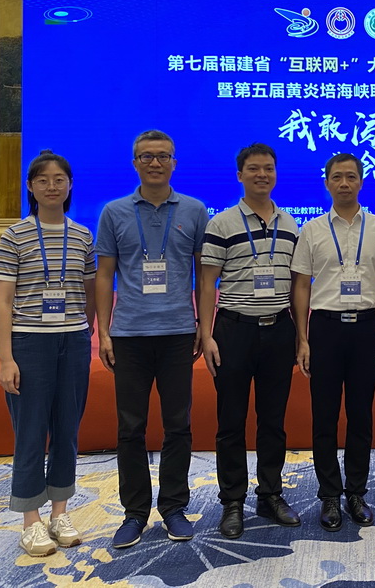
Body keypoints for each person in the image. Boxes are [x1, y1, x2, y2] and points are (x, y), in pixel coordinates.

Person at [95, 130, 210, 548]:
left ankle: (174, 508)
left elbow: (204, 276)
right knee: (131, 428)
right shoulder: (114, 212)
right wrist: (104, 331)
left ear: (174, 163)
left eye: (163, 156)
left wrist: (203, 327)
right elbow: (104, 275)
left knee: (178, 425)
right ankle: (135, 513)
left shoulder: (194, 210)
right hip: (129, 335)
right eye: (147, 156)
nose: (155, 163)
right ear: (135, 163)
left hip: (179, 333)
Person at [0, 150, 96, 557]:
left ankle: (60, 513)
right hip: (29, 343)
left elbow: (89, 292)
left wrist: (83, 331)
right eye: (43, 180)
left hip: (73, 342)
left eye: (59, 180)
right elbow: (3, 301)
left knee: (67, 431)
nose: (52, 186)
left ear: (69, 186)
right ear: (31, 187)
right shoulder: (15, 235)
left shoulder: (82, 235)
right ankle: (31, 520)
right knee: (31, 432)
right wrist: (6, 359)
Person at [198, 143, 300, 537]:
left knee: (273, 420)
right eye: (254, 169)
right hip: (234, 330)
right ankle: (232, 501)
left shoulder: (291, 225)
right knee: (231, 421)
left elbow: (298, 285)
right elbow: (207, 283)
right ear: (240, 175)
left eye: (268, 168)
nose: (262, 175)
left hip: (279, 330)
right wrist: (206, 334)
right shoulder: (221, 223)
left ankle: (270, 494)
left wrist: (300, 335)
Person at [291, 153, 375, 532]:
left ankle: (356, 492)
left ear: (361, 181)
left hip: (366, 329)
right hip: (325, 329)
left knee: (360, 414)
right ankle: (329, 495)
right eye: (337, 177)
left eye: (351, 176)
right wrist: (302, 338)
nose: (344, 183)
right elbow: (301, 286)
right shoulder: (312, 230)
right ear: (327, 183)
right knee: (324, 415)